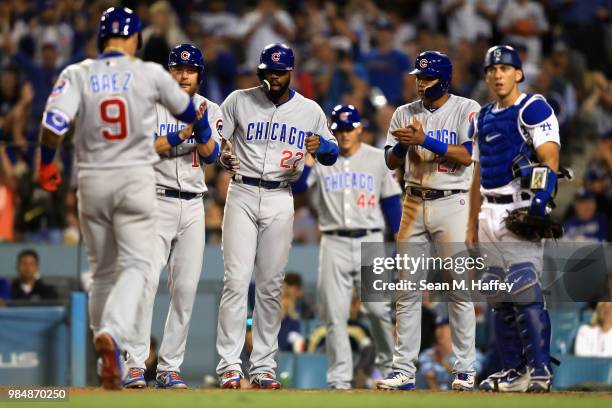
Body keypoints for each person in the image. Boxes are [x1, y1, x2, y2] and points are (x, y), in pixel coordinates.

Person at [38, 7, 200, 390]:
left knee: (102, 271)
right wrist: (199, 127)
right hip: (136, 178)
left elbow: (52, 126)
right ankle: (113, 332)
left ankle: (103, 342)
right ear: (135, 38)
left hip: (91, 180)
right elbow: (190, 111)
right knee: (137, 265)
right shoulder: (149, 73)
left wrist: (47, 165)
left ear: (100, 38)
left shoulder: (77, 73)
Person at [215, 43, 338, 390]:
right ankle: (229, 365)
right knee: (236, 282)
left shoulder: (310, 110)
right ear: (261, 70)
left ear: (291, 73)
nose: (274, 77)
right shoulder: (239, 100)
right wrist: (223, 156)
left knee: (270, 287)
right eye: (269, 71)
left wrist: (323, 148)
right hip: (241, 192)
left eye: (280, 72)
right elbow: (216, 140)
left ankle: (264, 366)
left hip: (281, 196)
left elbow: (332, 152)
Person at [377, 51, 480, 391]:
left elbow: (466, 157)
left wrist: (423, 140)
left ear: (445, 79)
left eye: (427, 78)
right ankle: (403, 370)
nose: (420, 83)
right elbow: (391, 162)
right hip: (413, 200)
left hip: (453, 200)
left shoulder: (467, 109)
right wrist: (403, 146)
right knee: (407, 290)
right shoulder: (404, 112)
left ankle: (465, 368)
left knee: (459, 288)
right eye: (418, 78)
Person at [123, 44, 221, 389]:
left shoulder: (212, 108)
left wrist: (204, 131)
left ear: (199, 75)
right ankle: (134, 364)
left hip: (195, 205)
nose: (183, 75)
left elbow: (213, 156)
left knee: (186, 290)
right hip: (156, 201)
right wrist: (183, 133)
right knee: (146, 284)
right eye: (178, 69)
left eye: (190, 70)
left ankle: (169, 368)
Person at [467, 45, 561, 392]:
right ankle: (514, 371)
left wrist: (540, 198)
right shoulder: (482, 115)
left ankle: (539, 371)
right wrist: (470, 222)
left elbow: (549, 156)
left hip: (519, 207)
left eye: (505, 68)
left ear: (518, 73)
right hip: (488, 211)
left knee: (524, 289)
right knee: (497, 295)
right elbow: (478, 172)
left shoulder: (532, 106)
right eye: (492, 69)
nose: (497, 74)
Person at [292, 104, 401, 389]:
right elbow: (301, 187)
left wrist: (400, 241)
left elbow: (392, 203)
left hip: (371, 239)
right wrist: (307, 158)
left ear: (360, 128)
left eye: (349, 128)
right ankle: (339, 378)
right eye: (338, 130)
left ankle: (390, 368)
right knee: (334, 313)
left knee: (378, 309)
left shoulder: (378, 158)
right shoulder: (323, 159)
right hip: (334, 240)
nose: (344, 135)